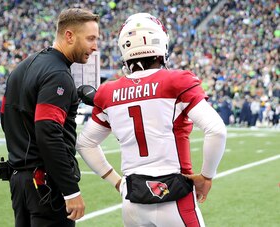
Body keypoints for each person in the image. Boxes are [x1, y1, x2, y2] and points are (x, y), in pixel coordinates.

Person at [76, 13, 227, 226]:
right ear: (161, 43)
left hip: (132, 199)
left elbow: (85, 143)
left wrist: (117, 182)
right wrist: (207, 176)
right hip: (174, 195)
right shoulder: (176, 81)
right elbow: (216, 130)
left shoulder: (108, 92)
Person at [0, 8, 99, 227]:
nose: (95, 46)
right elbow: (48, 132)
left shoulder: (21, 68)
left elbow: (4, 118)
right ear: (69, 35)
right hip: (45, 184)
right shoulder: (58, 74)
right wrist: (70, 190)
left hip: (19, 181)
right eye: (90, 38)